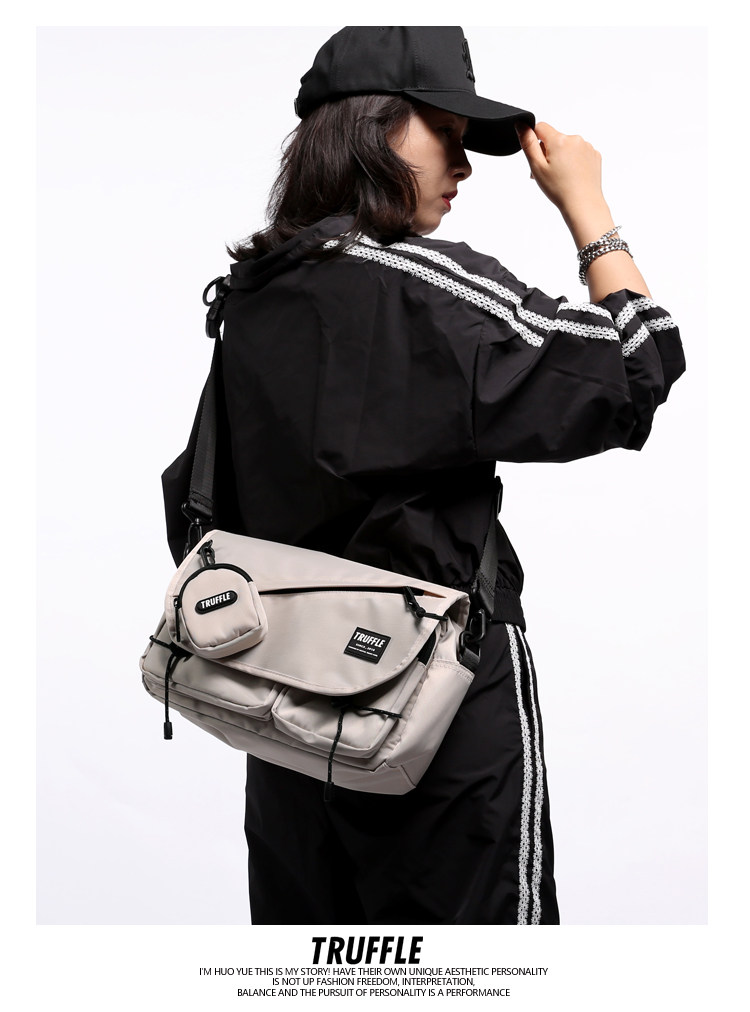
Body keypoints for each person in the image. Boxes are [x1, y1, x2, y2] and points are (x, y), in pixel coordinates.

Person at [214, 26, 685, 925]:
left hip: (283, 704)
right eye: (447, 132)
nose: (464, 165)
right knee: (487, 970)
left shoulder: (252, 295)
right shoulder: (422, 287)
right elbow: (639, 364)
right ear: (372, 128)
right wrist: (588, 207)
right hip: (435, 701)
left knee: (318, 971)